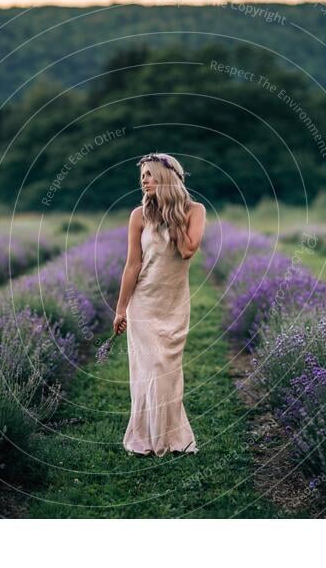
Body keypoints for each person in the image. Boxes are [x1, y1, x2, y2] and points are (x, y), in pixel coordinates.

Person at [113, 152, 206, 456]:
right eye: (142, 176)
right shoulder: (138, 215)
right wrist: (121, 308)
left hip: (174, 304)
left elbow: (188, 250)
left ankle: (168, 436)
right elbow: (132, 264)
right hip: (143, 303)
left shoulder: (194, 211)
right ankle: (146, 437)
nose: (145, 181)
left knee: (166, 370)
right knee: (148, 368)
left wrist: (171, 212)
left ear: (167, 177)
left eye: (150, 174)